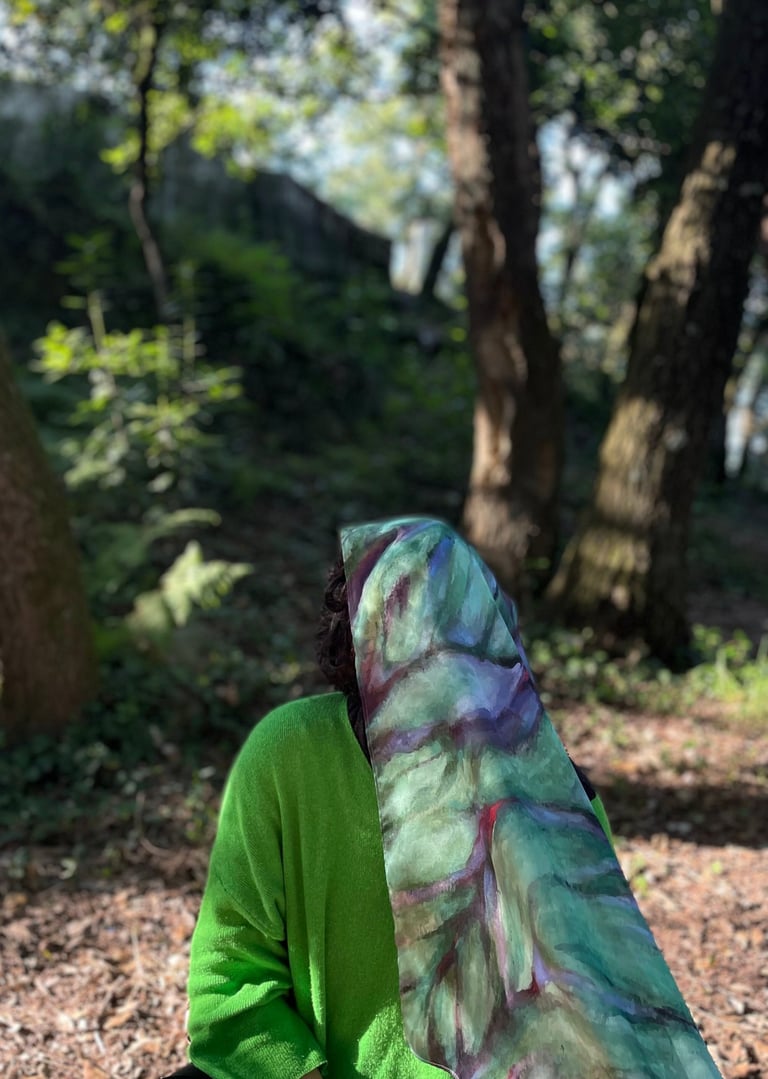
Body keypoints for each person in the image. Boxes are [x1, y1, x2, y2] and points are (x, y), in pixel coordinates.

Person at [173, 517, 721, 1079]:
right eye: (407, 637)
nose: (430, 655)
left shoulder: (551, 795)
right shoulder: (290, 754)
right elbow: (230, 976)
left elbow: (596, 1012)